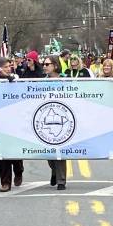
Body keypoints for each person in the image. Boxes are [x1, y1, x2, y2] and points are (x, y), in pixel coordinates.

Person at [0, 58, 24, 192]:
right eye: (5, 67)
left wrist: (9, 78)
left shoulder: (16, 77)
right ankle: (5, 181)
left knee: (14, 150)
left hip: (13, 118)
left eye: (10, 66)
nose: (8, 69)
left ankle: (19, 171)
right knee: (2, 152)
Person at [43, 55, 68, 190]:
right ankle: (54, 171)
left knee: (60, 152)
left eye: (47, 64)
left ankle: (61, 180)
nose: (45, 66)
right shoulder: (42, 82)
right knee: (49, 153)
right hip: (46, 117)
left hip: (61, 117)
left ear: (55, 65)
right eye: (44, 64)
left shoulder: (64, 80)